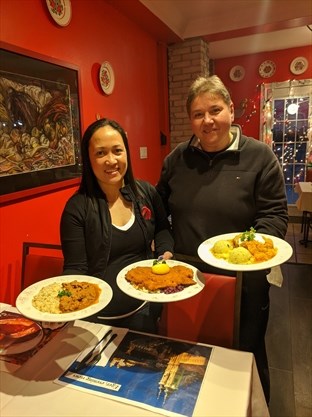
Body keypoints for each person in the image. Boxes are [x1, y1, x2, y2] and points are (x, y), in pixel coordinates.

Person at [156, 75, 288, 403]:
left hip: (245, 282)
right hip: (188, 280)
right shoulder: (176, 160)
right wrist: (166, 248)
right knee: (191, 351)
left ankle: (251, 409)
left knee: (246, 355)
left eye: (215, 110)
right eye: (198, 114)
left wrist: (243, 249)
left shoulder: (260, 157)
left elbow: (274, 216)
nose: (208, 120)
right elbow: (160, 214)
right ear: (191, 119)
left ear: (231, 110)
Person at [60, 118, 173, 333]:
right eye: (101, 153)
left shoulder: (146, 193)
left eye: (117, 151)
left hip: (146, 307)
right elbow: (76, 268)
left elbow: (162, 229)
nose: (111, 160)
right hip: (99, 318)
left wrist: (164, 251)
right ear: (89, 159)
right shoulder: (77, 208)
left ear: (126, 153)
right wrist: (66, 301)